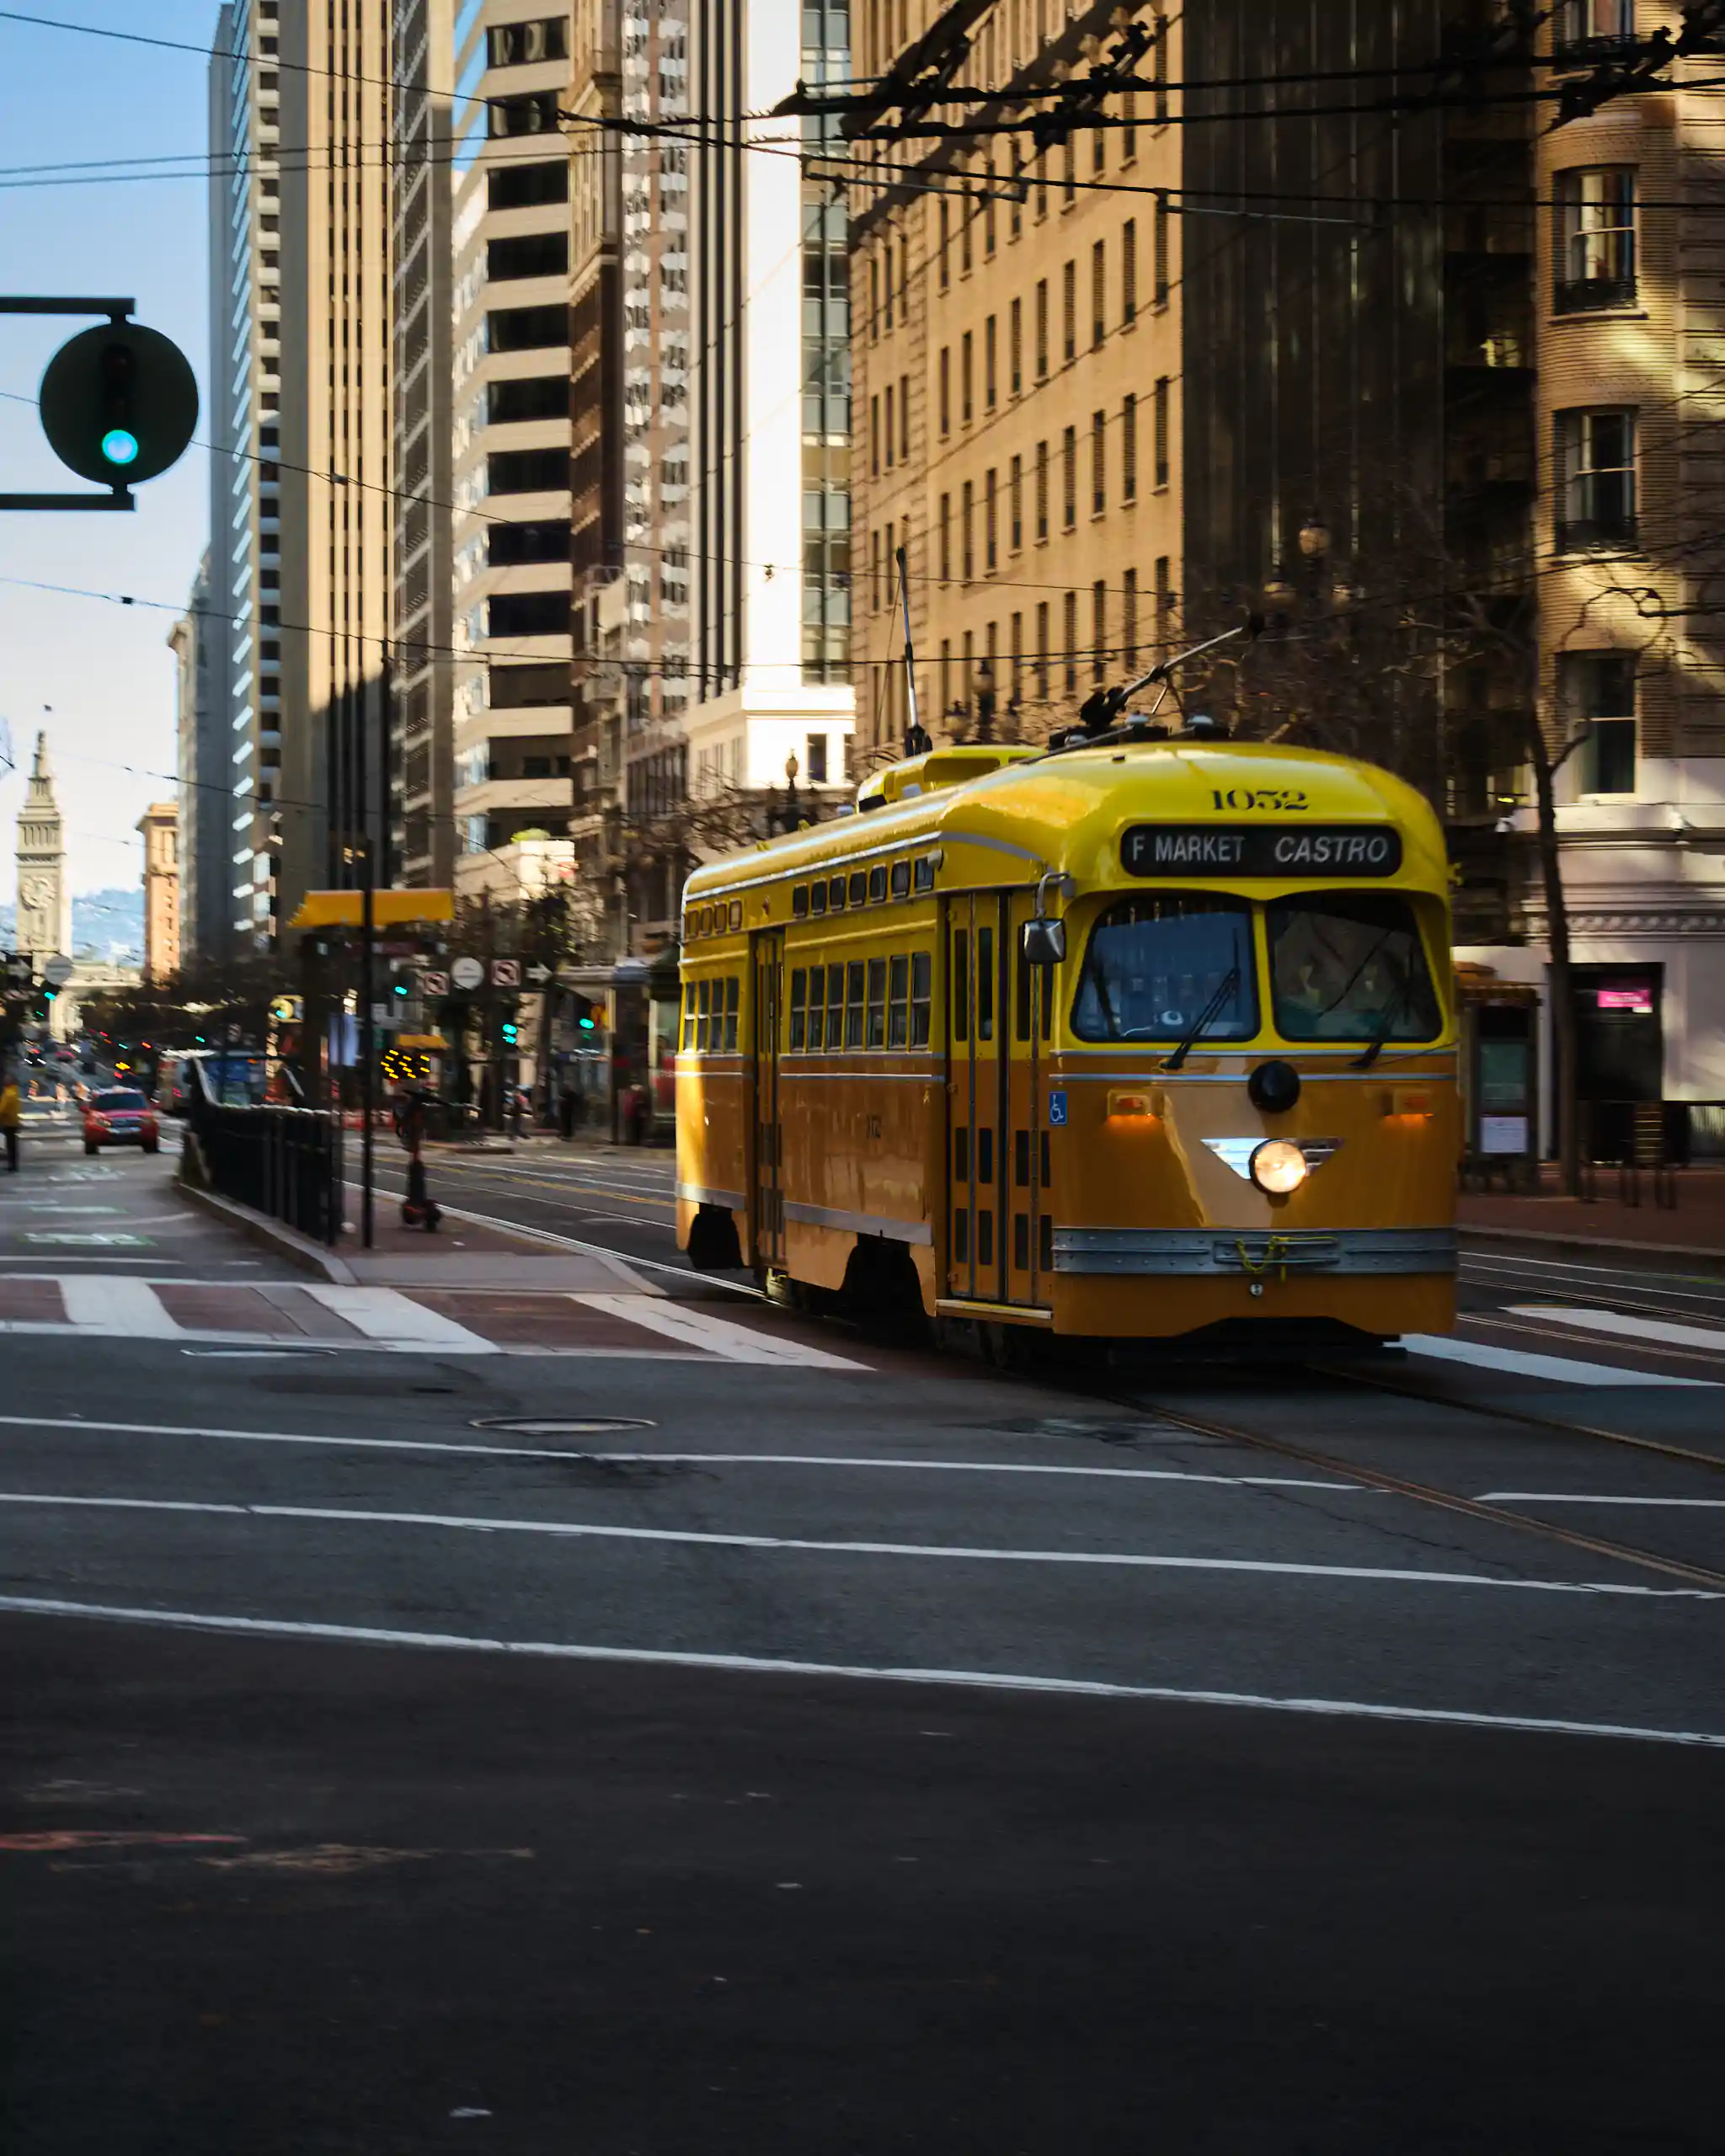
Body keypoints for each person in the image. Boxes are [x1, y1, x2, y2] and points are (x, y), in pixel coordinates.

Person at [0, 1075, 19, 1172]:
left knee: (10, 1145)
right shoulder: (14, 1092)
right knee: (12, 1145)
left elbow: (2, 1109)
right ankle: (13, 1164)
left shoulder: (9, 1094)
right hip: (13, 1121)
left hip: (8, 1122)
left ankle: (12, 1165)